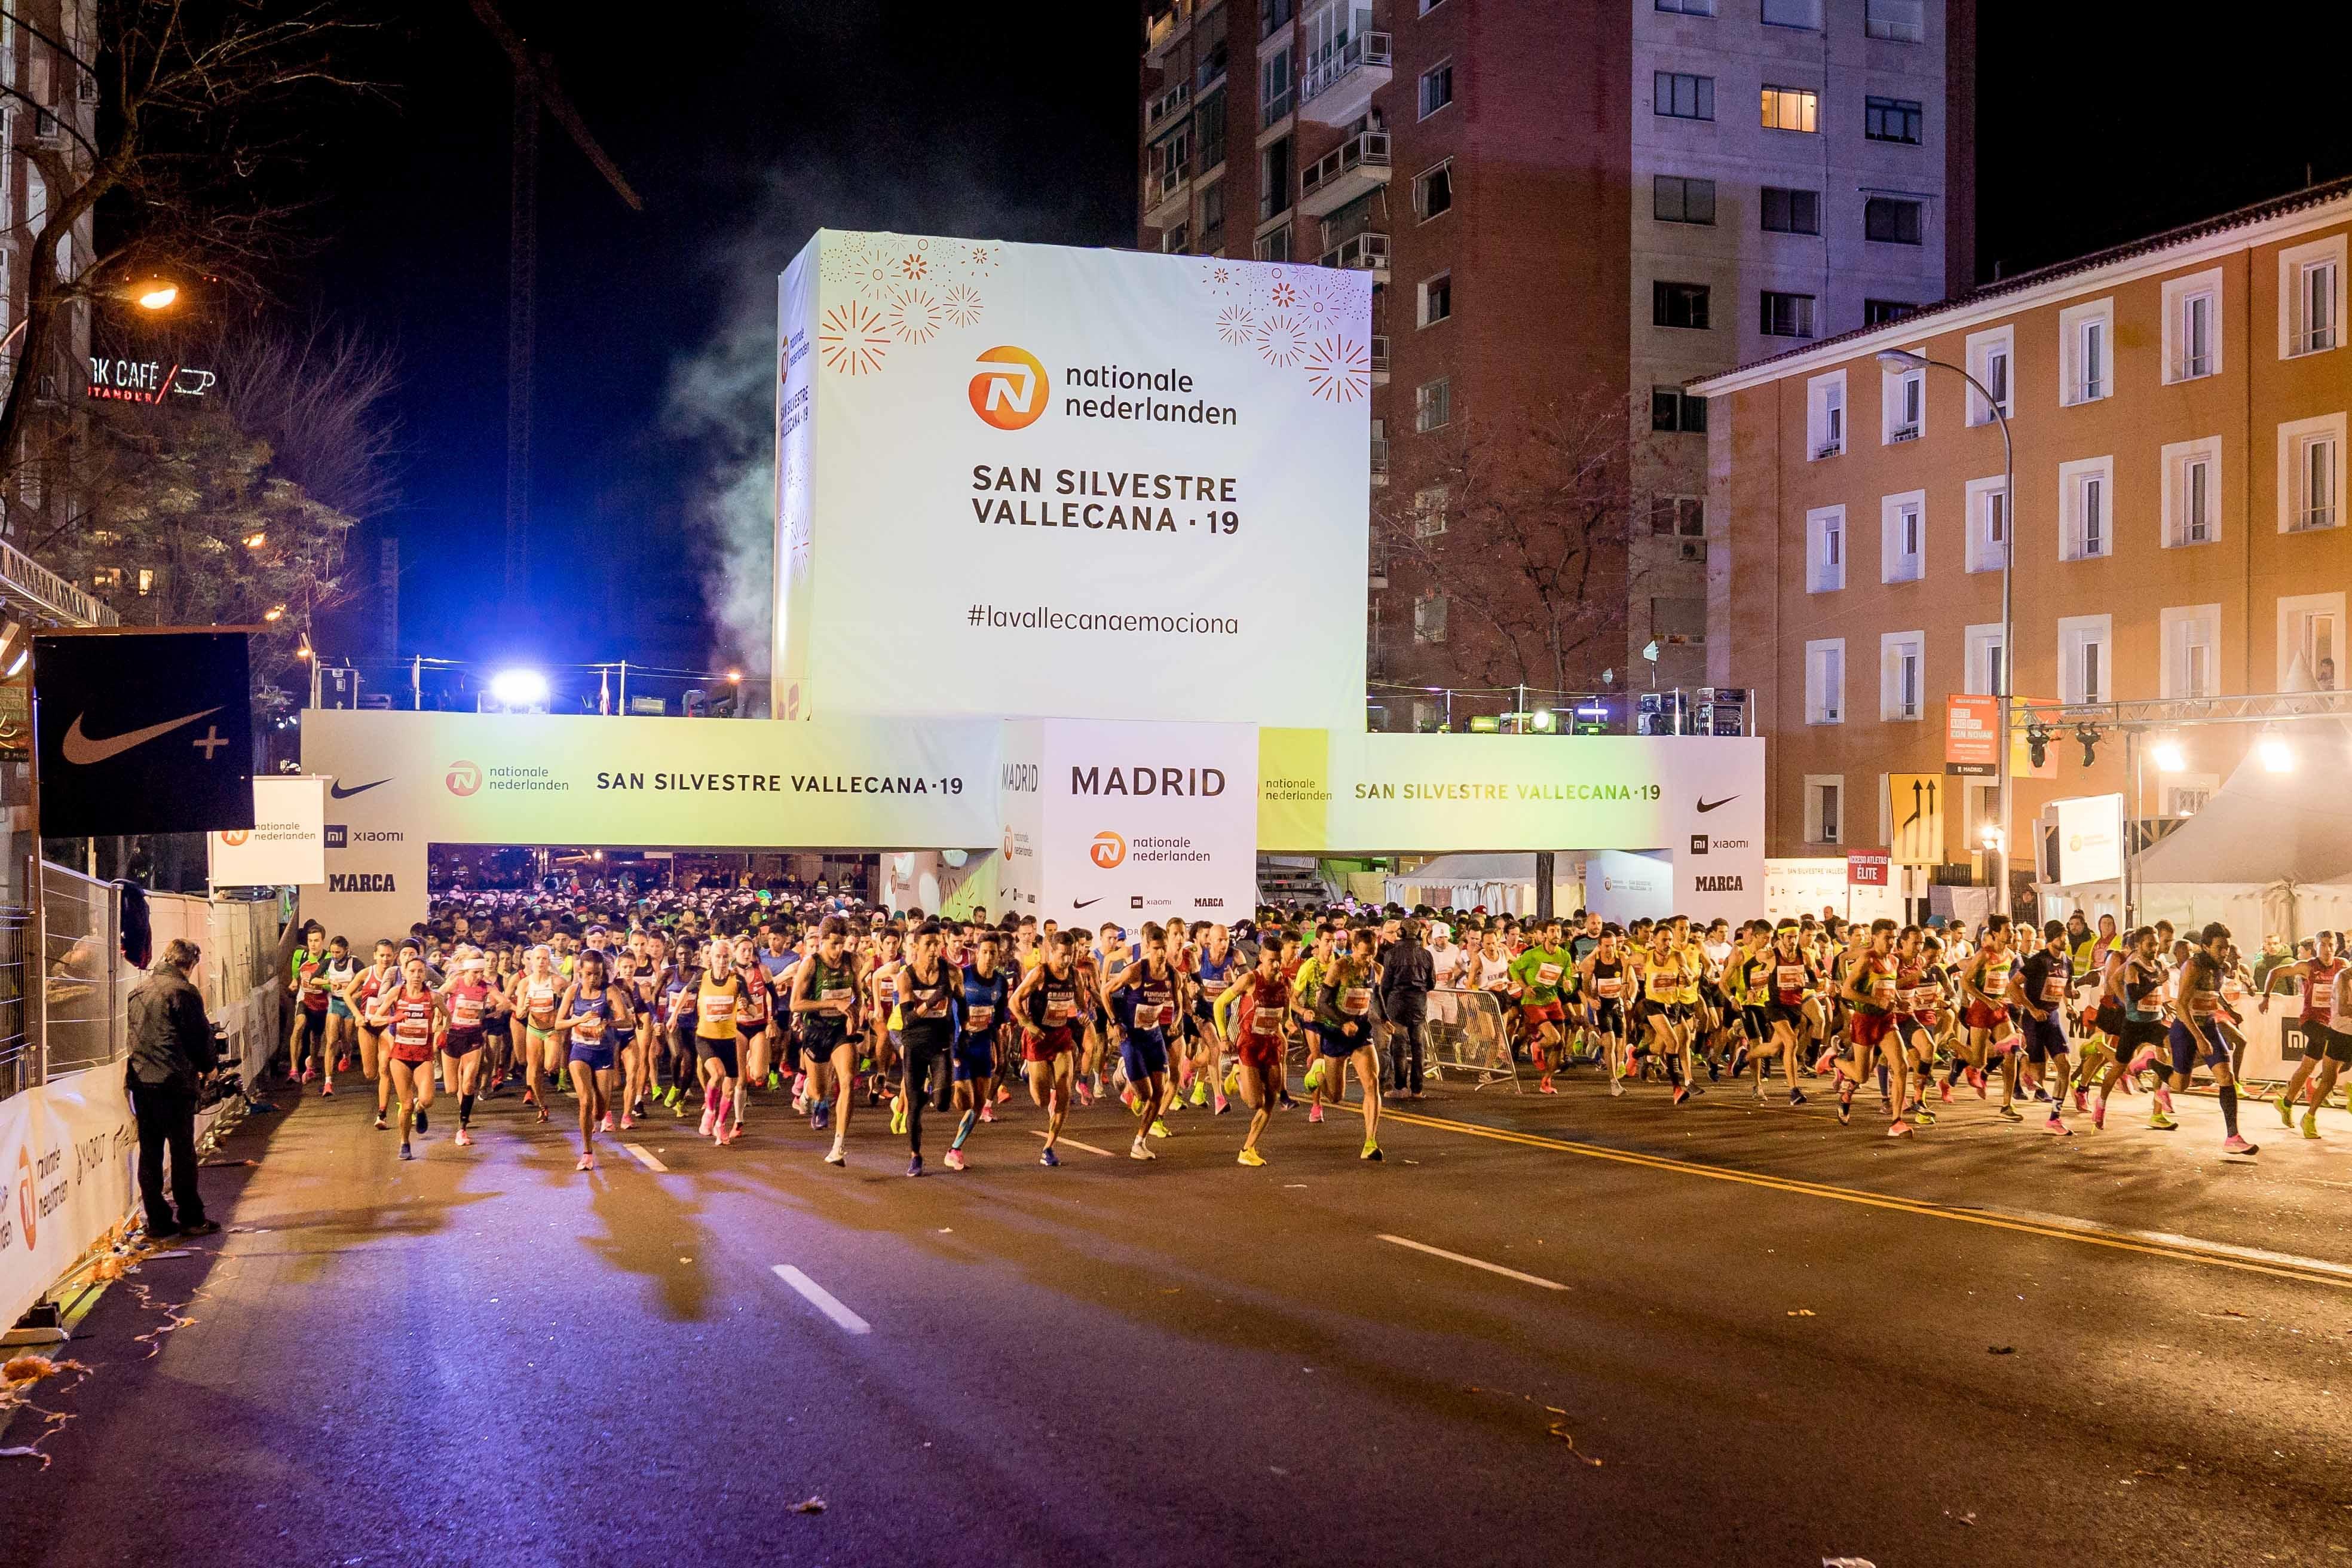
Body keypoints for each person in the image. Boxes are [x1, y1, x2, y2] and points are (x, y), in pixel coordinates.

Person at [125, 939, 222, 1239]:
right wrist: (209, 1066)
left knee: (150, 1152)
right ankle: (192, 1218)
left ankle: (158, 1221)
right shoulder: (183, 991)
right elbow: (197, 1036)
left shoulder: (138, 991)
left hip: (142, 1081)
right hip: (174, 1082)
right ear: (190, 964)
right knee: (182, 1151)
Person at [1380, 917, 1434, 1101]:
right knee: (1418, 1046)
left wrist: (1385, 1004)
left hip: (1397, 1002)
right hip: (1418, 1003)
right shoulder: (1426, 954)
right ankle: (1417, 1089)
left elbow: (1385, 984)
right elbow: (1432, 983)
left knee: (1399, 1045)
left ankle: (1401, 1087)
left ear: (1401, 932)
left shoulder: (1392, 954)